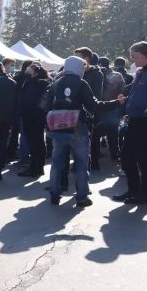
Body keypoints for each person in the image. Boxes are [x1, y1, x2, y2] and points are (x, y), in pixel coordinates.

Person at [46, 56, 123, 207]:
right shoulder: (81, 83)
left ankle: (54, 193)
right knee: (81, 163)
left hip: (58, 129)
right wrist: (116, 103)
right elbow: (94, 105)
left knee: (57, 162)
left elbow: (48, 105)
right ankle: (81, 197)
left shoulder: (56, 83)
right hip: (78, 127)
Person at [112, 42, 147, 205]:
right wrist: (130, 111)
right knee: (127, 156)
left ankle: (145, 194)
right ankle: (134, 190)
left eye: (134, 56)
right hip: (137, 119)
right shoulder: (143, 72)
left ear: (143, 56)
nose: (132, 60)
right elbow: (138, 94)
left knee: (143, 157)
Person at [17, 63, 50, 178]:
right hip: (32, 116)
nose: (26, 71)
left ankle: (36, 167)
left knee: (36, 143)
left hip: (34, 116)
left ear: (35, 72)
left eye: (29, 69)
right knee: (36, 142)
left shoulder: (38, 83)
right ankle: (36, 167)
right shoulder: (33, 82)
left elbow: (31, 100)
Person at [96, 57, 127, 165]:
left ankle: (94, 158)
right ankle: (114, 156)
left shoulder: (97, 74)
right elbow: (123, 91)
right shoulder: (117, 76)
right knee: (113, 133)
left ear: (99, 63)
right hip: (114, 107)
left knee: (96, 134)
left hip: (100, 107)